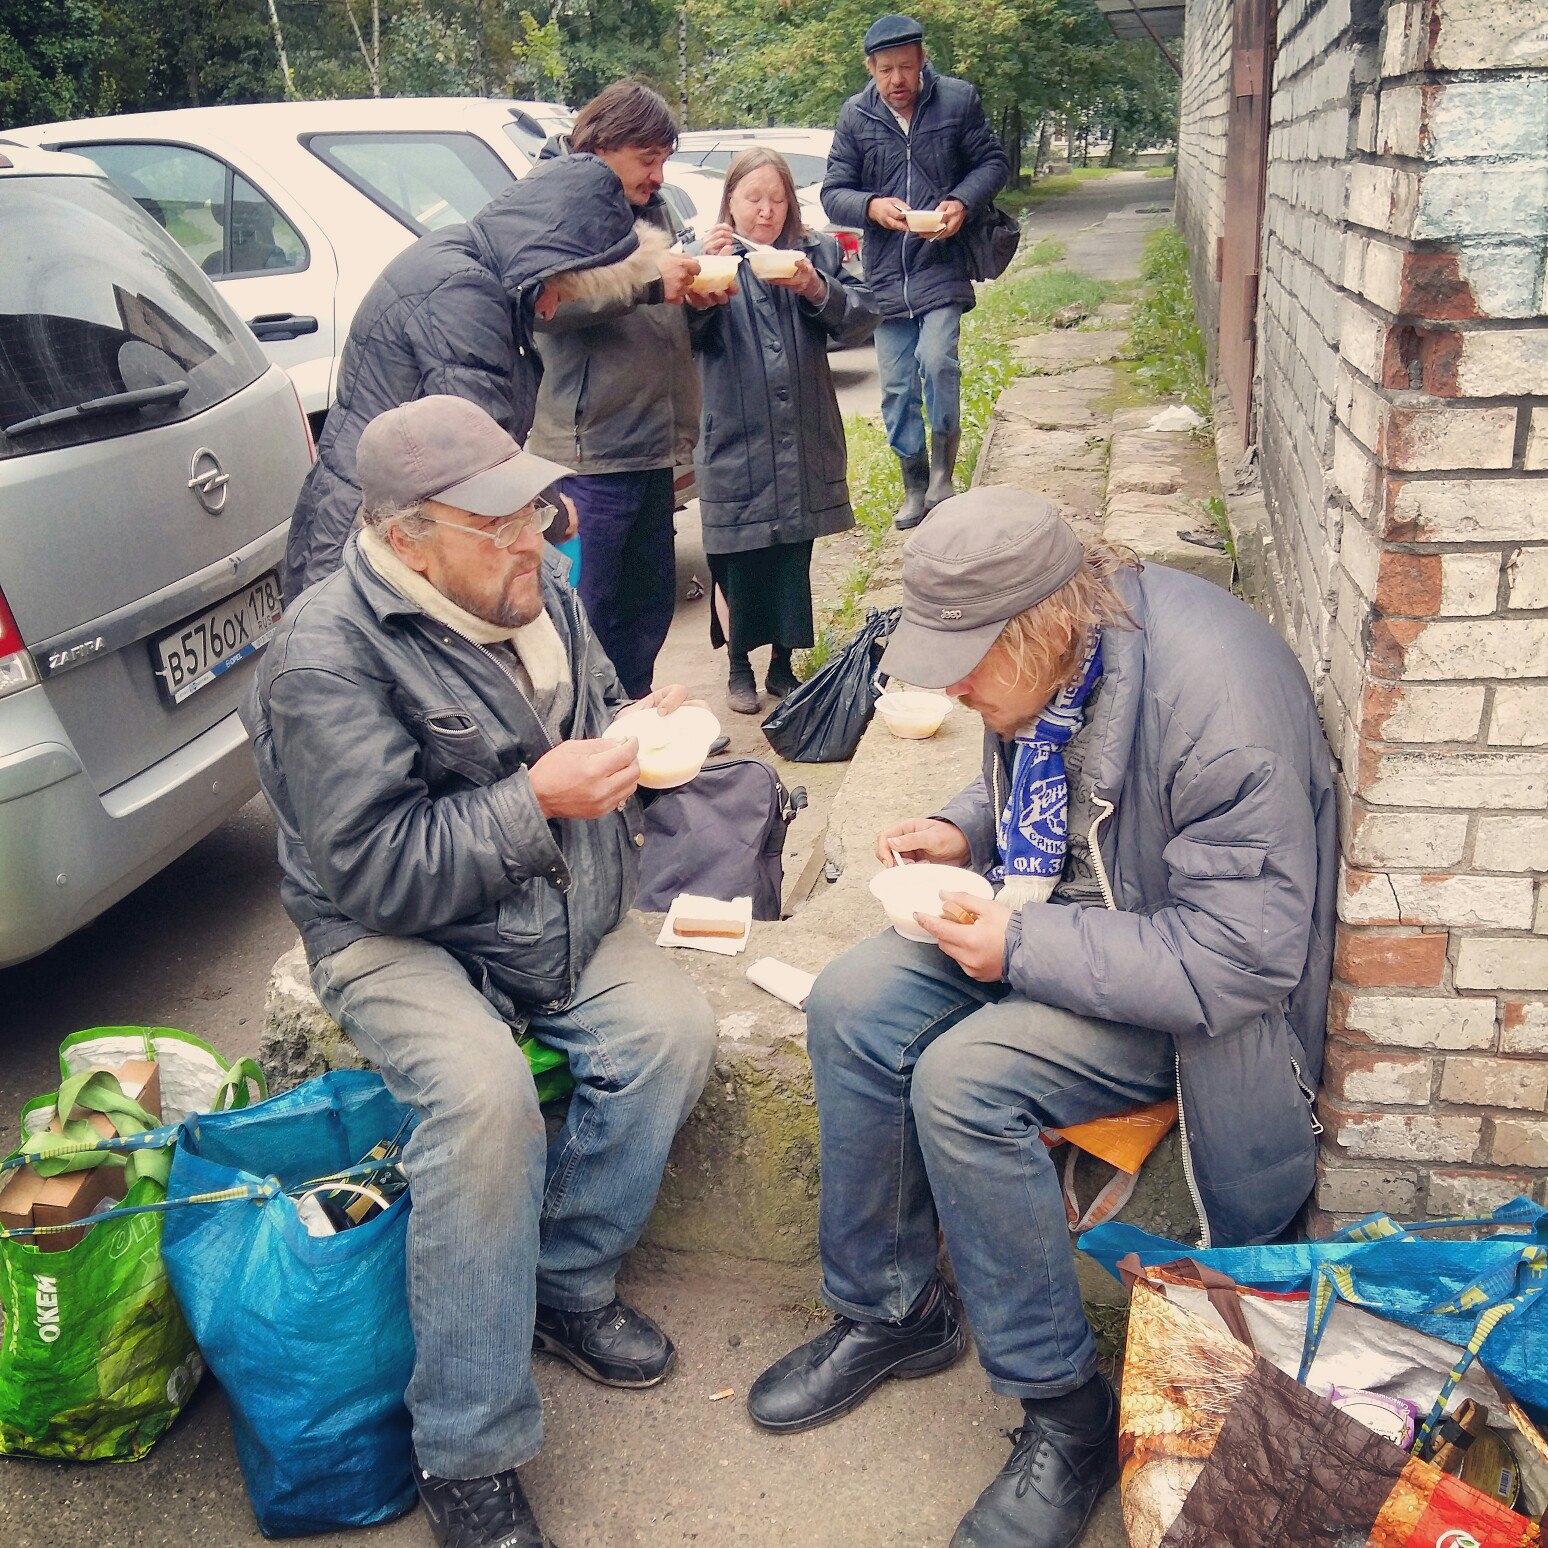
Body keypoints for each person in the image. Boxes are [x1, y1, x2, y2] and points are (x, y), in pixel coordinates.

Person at [747, 488, 1337, 1548]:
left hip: (1193, 1000)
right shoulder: (1071, 657)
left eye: (970, 661)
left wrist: (1019, 946)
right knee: (852, 1001)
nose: (956, 687)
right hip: (1081, 923)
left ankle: (1063, 1409)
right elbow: (1060, 781)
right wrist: (962, 827)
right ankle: (894, 1309)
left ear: (1044, 623)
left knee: (965, 1082)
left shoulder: (1219, 712)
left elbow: (1241, 962)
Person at [246, 396, 717, 1548]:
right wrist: (538, 802)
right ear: (407, 540)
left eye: (540, 508)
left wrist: (639, 738)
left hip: (549, 906)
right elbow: (372, 876)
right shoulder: (326, 656)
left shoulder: (535, 588)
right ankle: (466, 1449)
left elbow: (594, 713)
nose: (542, 541)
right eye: (498, 523)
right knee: (481, 1100)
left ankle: (563, 1279)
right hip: (397, 932)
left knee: (671, 1031)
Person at [280, 142, 703, 600]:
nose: (556, 305)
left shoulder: (469, 264)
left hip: (382, 519)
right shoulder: (465, 293)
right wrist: (551, 513)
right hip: (373, 536)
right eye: (563, 288)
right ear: (547, 263)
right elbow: (474, 455)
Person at [527, 81, 722, 700]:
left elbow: (657, 307)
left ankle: (636, 726)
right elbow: (544, 306)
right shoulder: (557, 205)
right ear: (604, 145)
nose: (660, 175)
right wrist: (647, 286)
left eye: (665, 159)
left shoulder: (649, 204)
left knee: (646, 608)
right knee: (585, 615)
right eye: (649, 159)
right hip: (589, 456)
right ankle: (586, 738)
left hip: (654, 447)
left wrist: (696, 301)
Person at [686, 148, 874, 715]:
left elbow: (861, 317)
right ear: (731, 203)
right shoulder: (705, 259)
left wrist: (818, 289)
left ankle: (782, 664)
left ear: (791, 203)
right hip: (732, 433)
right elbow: (679, 334)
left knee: (793, 551)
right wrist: (701, 288)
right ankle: (738, 665)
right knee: (735, 555)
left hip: (802, 430)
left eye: (776, 199)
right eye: (753, 199)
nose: (765, 211)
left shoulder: (812, 253)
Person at [821, 13, 1009, 530]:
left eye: (906, 67)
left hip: (941, 262)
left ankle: (945, 474)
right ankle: (914, 484)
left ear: (922, 60)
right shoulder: (855, 116)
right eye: (885, 70)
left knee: (938, 360)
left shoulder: (957, 100)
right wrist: (872, 206)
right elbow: (833, 192)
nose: (897, 80)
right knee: (897, 386)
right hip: (885, 273)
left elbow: (992, 163)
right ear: (871, 68)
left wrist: (961, 203)